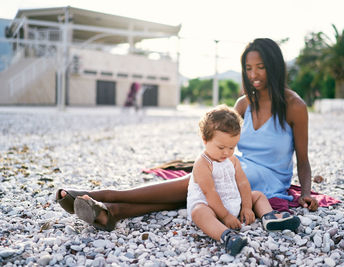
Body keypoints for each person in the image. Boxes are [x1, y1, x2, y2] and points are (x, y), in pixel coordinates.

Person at [55, 37, 318, 232]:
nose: (254, 75)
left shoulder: (294, 106)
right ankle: (110, 213)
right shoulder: (243, 104)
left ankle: (106, 195)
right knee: (195, 192)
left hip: (269, 179)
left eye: (260, 67)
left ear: (273, 66)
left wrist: (306, 193)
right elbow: (226, 147)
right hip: (240, 169)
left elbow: (303, 160)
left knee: (194, 182)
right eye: (248, 69)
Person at [187, 105, 300, 256]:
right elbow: (210, 192)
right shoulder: (203, 163)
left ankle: (269, 217)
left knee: (258, 195)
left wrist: (246, 206)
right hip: (211, 206)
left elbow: (243, 183)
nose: (226, 152)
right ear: (205, 140)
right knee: (199, 212)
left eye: (232, 147)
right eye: (221, 147)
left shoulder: (232, 160)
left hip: (233, 201)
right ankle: (226, 236)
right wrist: (226, 216)